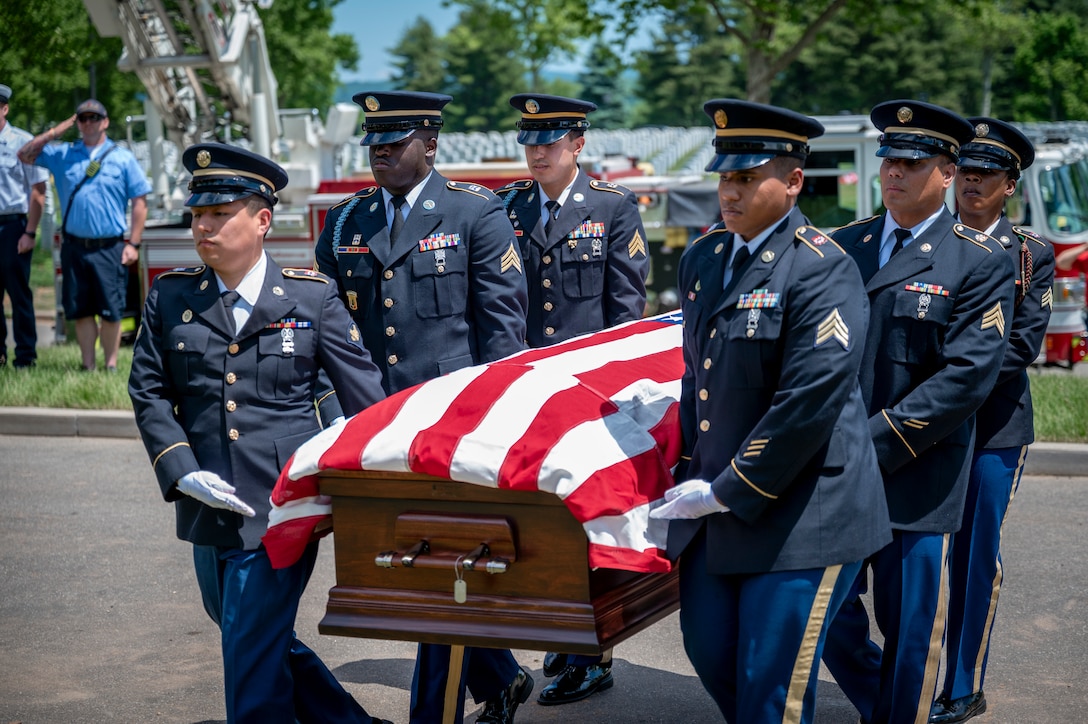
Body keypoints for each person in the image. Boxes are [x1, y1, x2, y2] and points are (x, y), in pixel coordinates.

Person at [128, 143, 390, 724]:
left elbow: (362, 395)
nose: (203, 226)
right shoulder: (172, 298)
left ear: (262, 220)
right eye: (198, 215)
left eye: (219, 214)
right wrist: (180, 468)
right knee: (247, 630)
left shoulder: (310, 297)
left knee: (248, 653)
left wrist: (367, 468)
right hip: (206, 505)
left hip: (281, 507)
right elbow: (148, 389)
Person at [649, 99, 891, 723]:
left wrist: (726, 488)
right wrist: (683, 470)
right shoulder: (704, 259)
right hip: (721, 504)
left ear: (792, 182)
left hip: (804, 513)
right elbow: (697, 378)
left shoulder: (823, 269)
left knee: (770, 686)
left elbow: (807, 402)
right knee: (711, 654)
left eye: (746, 177)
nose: (728, 192)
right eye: (724, 177)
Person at [314, 90, 532, 724]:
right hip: (373, 426)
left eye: (395, 142)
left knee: (438, 576)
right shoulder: (346, 222)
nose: (380, 153)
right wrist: (336, 410)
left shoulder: (475, 214)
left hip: (451, 430)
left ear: (429, 145)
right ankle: (503, 678)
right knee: (419, 573)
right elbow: (323, 333)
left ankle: (428, 716)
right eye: (374, 143)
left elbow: (501, 334)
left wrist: (495, 423)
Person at [819, 100, 1016, 723]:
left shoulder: (978, 260)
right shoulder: (840, 247)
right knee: (826, 619)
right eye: (889, 160)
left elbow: (966, 378)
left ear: (949, 171)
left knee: (909, 632)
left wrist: (870, 443)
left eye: (912, 161)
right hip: (838, 477)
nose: (894, 172)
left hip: (918, 473)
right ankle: (884, 705)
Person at [495, 92, 649, 706]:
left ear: (577, 145)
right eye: (528, 142)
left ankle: (591, 653)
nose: (536, 152)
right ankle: (561, 636)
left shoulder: (613, 208)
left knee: (586, 518)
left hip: (588, 393)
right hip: (526, 392)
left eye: (549, 142)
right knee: (539, 524)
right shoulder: (504, 208)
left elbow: (625, 310)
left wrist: (611, 393)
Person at [930, 118, 1054, 723]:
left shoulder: (1029, 255)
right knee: (914, 555)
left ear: (1010, 185)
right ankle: (910, 671)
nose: (973, 181)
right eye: (967, 171)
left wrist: (939, 382)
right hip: (922, 424)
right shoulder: (929, 242)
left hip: (992, 428)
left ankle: (961, 683)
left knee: (974, 555)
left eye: (988, 174)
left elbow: (1021, 346)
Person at [17, 98, 149, 372]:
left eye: (94, 118)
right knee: (81, 309)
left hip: (109, 246)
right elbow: (25, 154)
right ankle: (88, 365)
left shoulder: (121, 158)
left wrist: (133, 243)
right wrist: (58, 130)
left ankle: (110, 365)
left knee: (111, 310)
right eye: (83, 118)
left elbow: (140, 202)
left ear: (105, 122)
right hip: (75, 246)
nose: (88, 123)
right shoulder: (64, 154)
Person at [0, 83, 48, 368]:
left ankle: (26, 356)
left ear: (5, 108)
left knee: (18, 294)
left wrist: (30, 232)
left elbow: (38, 190)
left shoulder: (23, 142)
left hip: (14, 226)